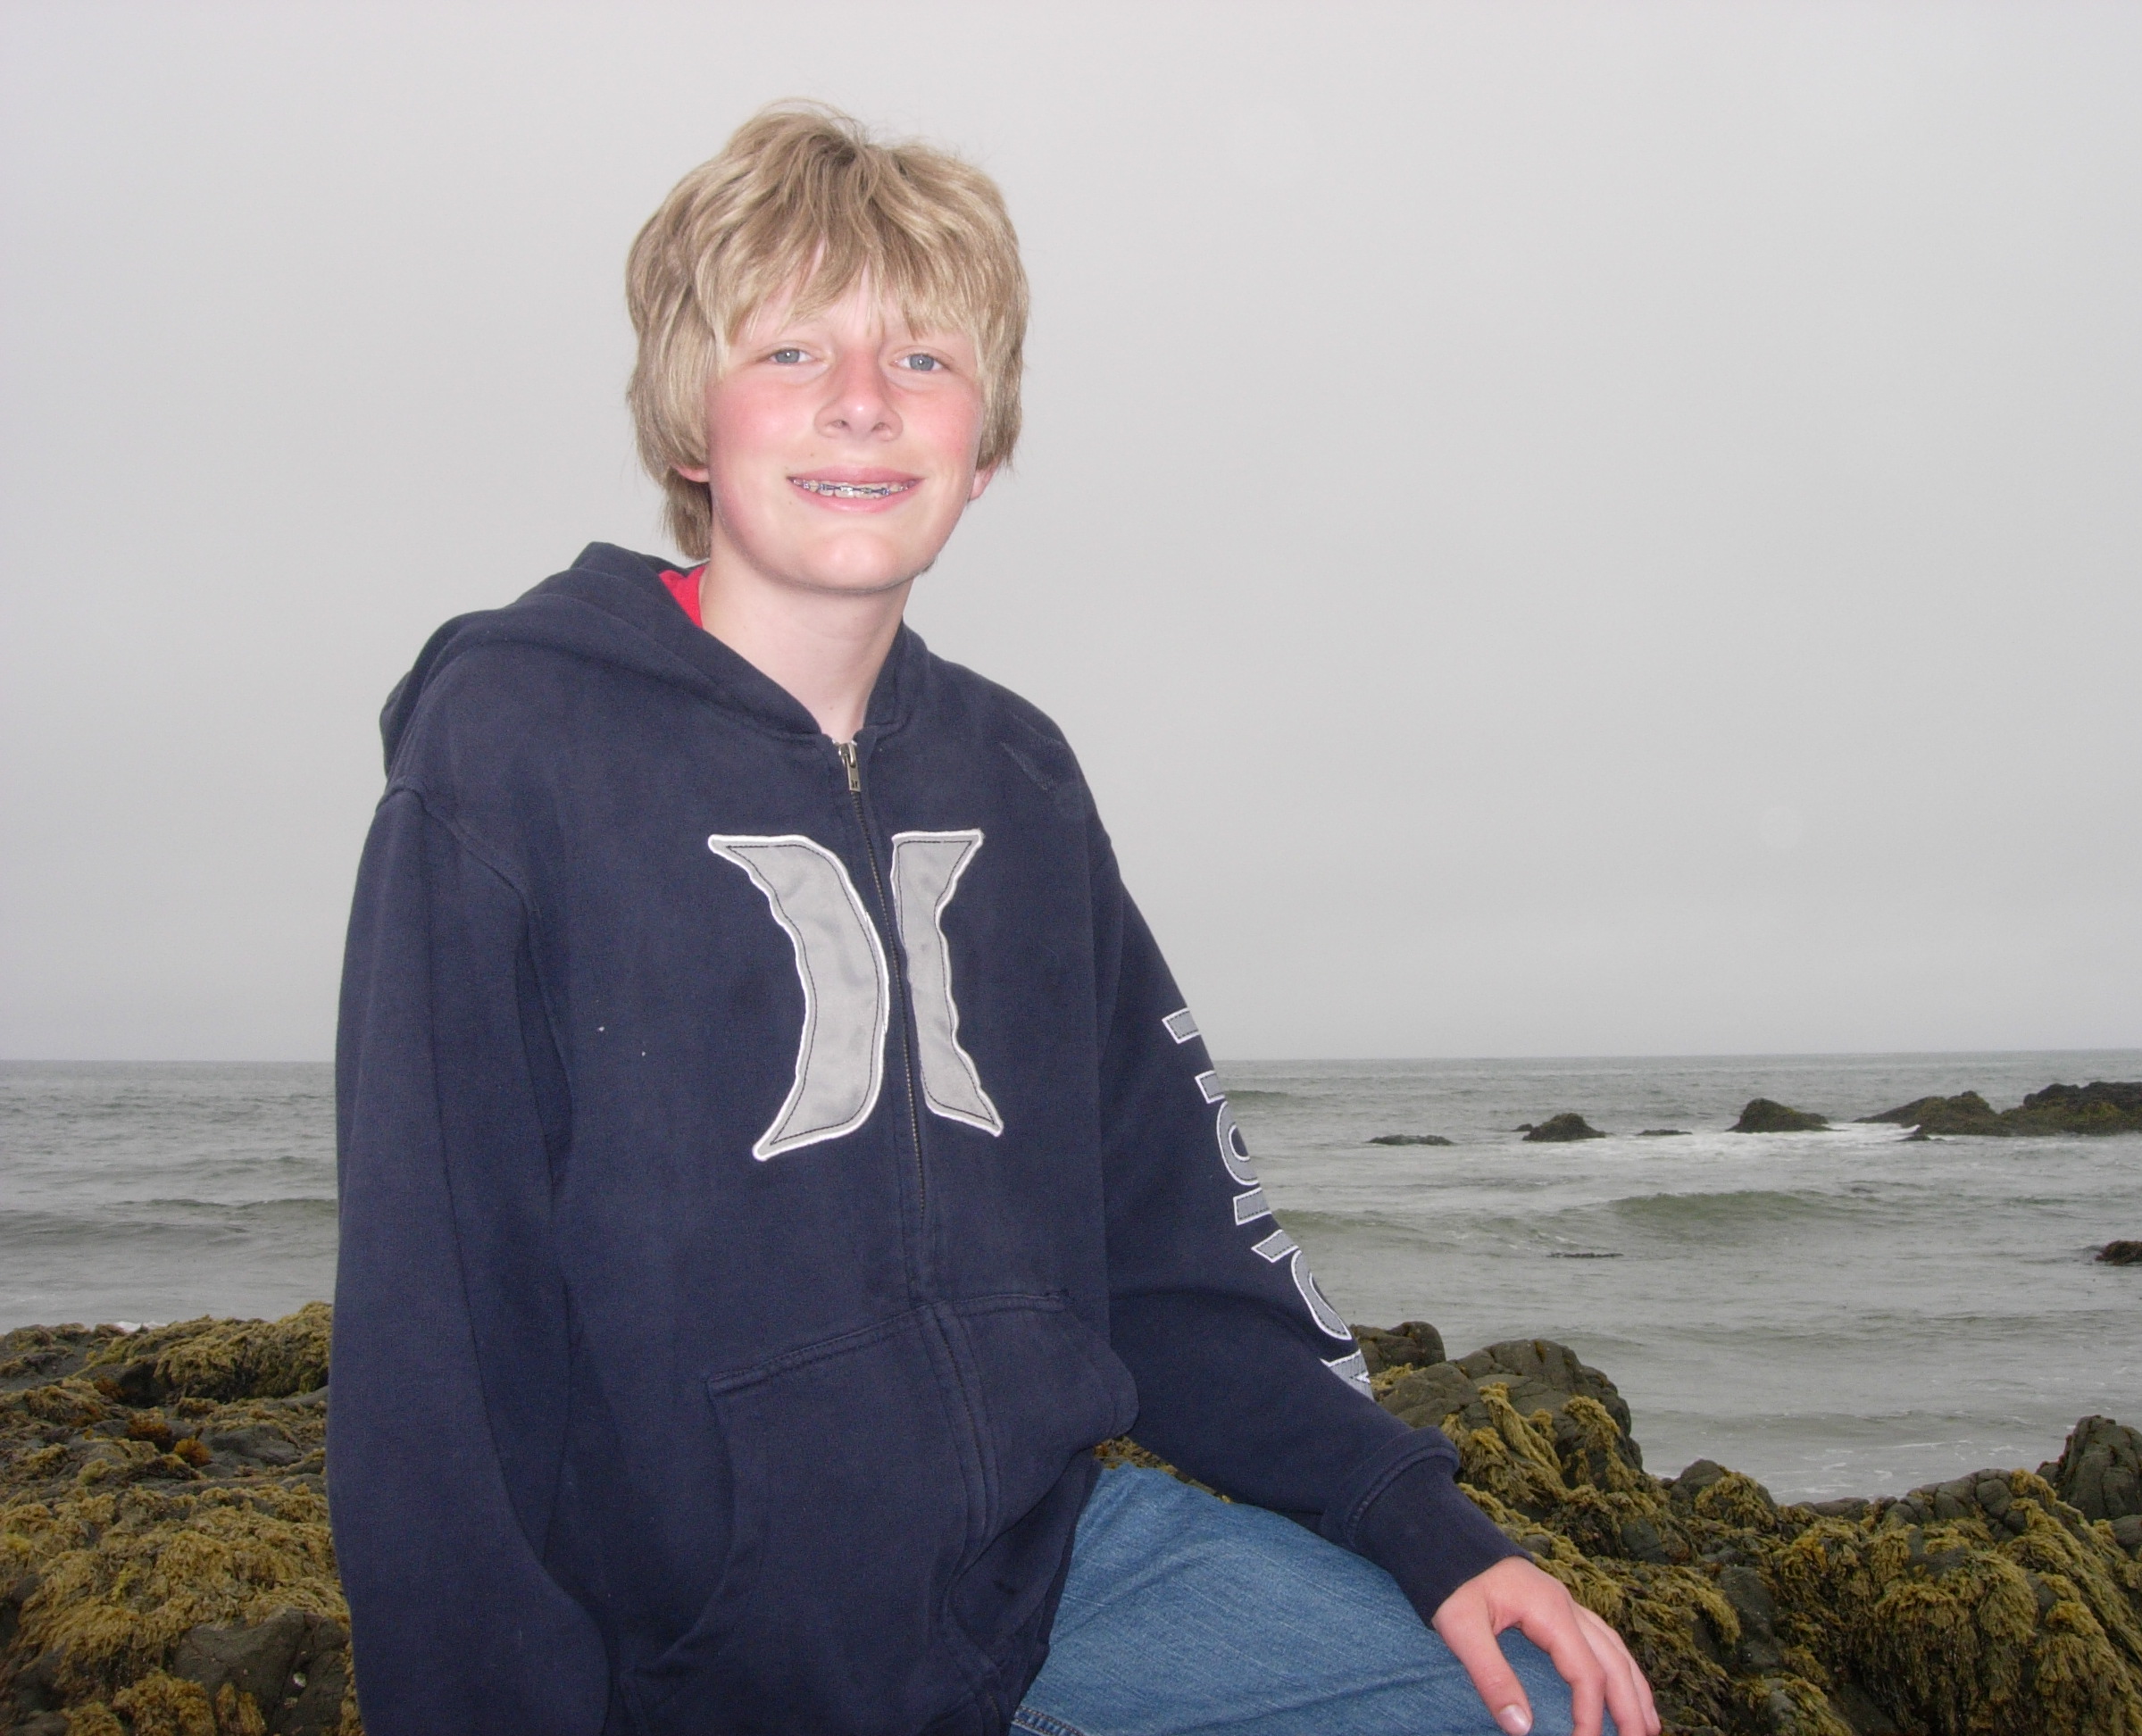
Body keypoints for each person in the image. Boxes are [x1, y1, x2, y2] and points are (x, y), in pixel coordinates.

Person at [329, 101, 1658, 1736]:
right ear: (690, 422)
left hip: (1047, 1584)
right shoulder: (513, 753)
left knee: (1538, 1706)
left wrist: (1421, 1527)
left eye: (925, 359)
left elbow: (1174, 1238)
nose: (864, 402)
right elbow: (435, 1355)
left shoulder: (1019, 777)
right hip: (701, 1656)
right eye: (792, 352)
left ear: (987, 437)